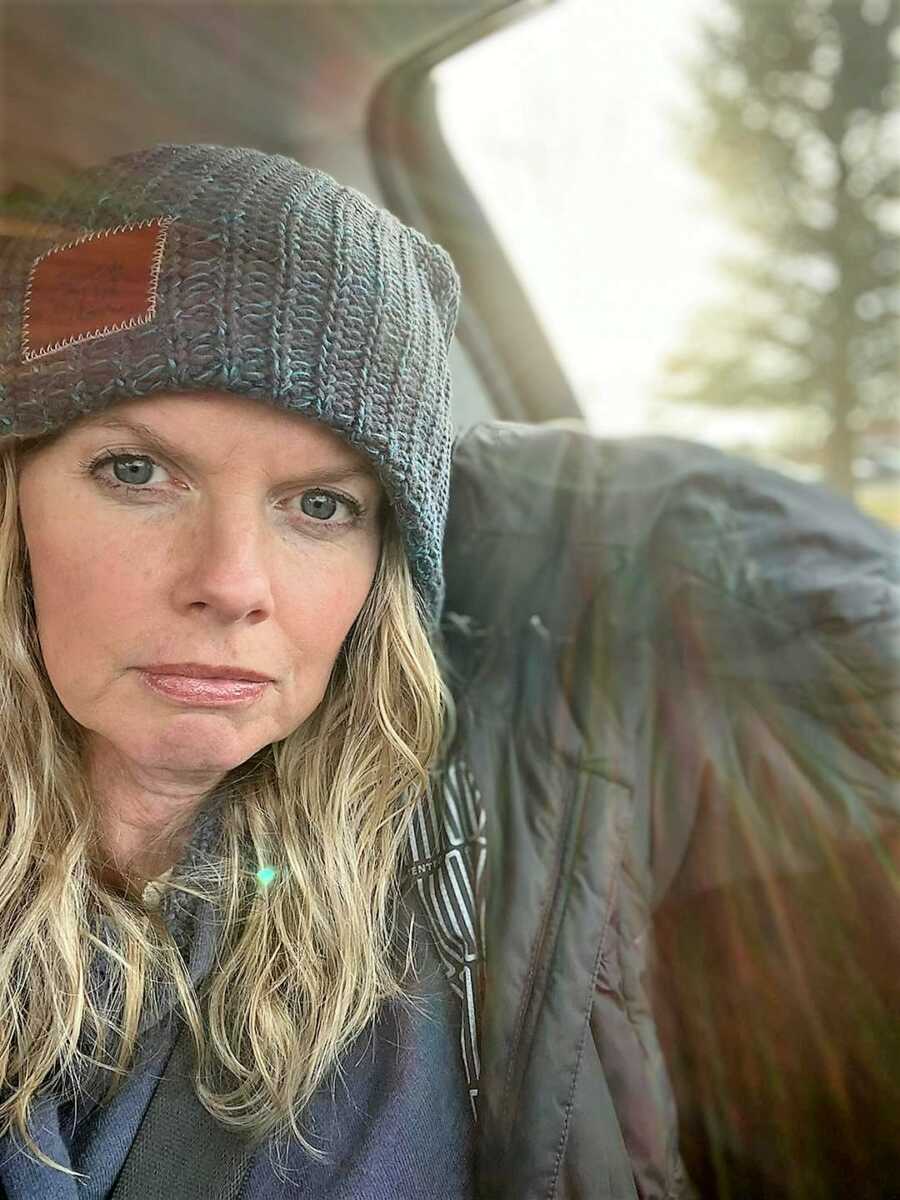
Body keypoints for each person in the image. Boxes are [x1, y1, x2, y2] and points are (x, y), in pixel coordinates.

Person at [0, 143, 897, 1200]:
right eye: (137, 471)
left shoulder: (470, 847)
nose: (233, 583)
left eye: (321, 506)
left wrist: (531, 504)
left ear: (388, 565)